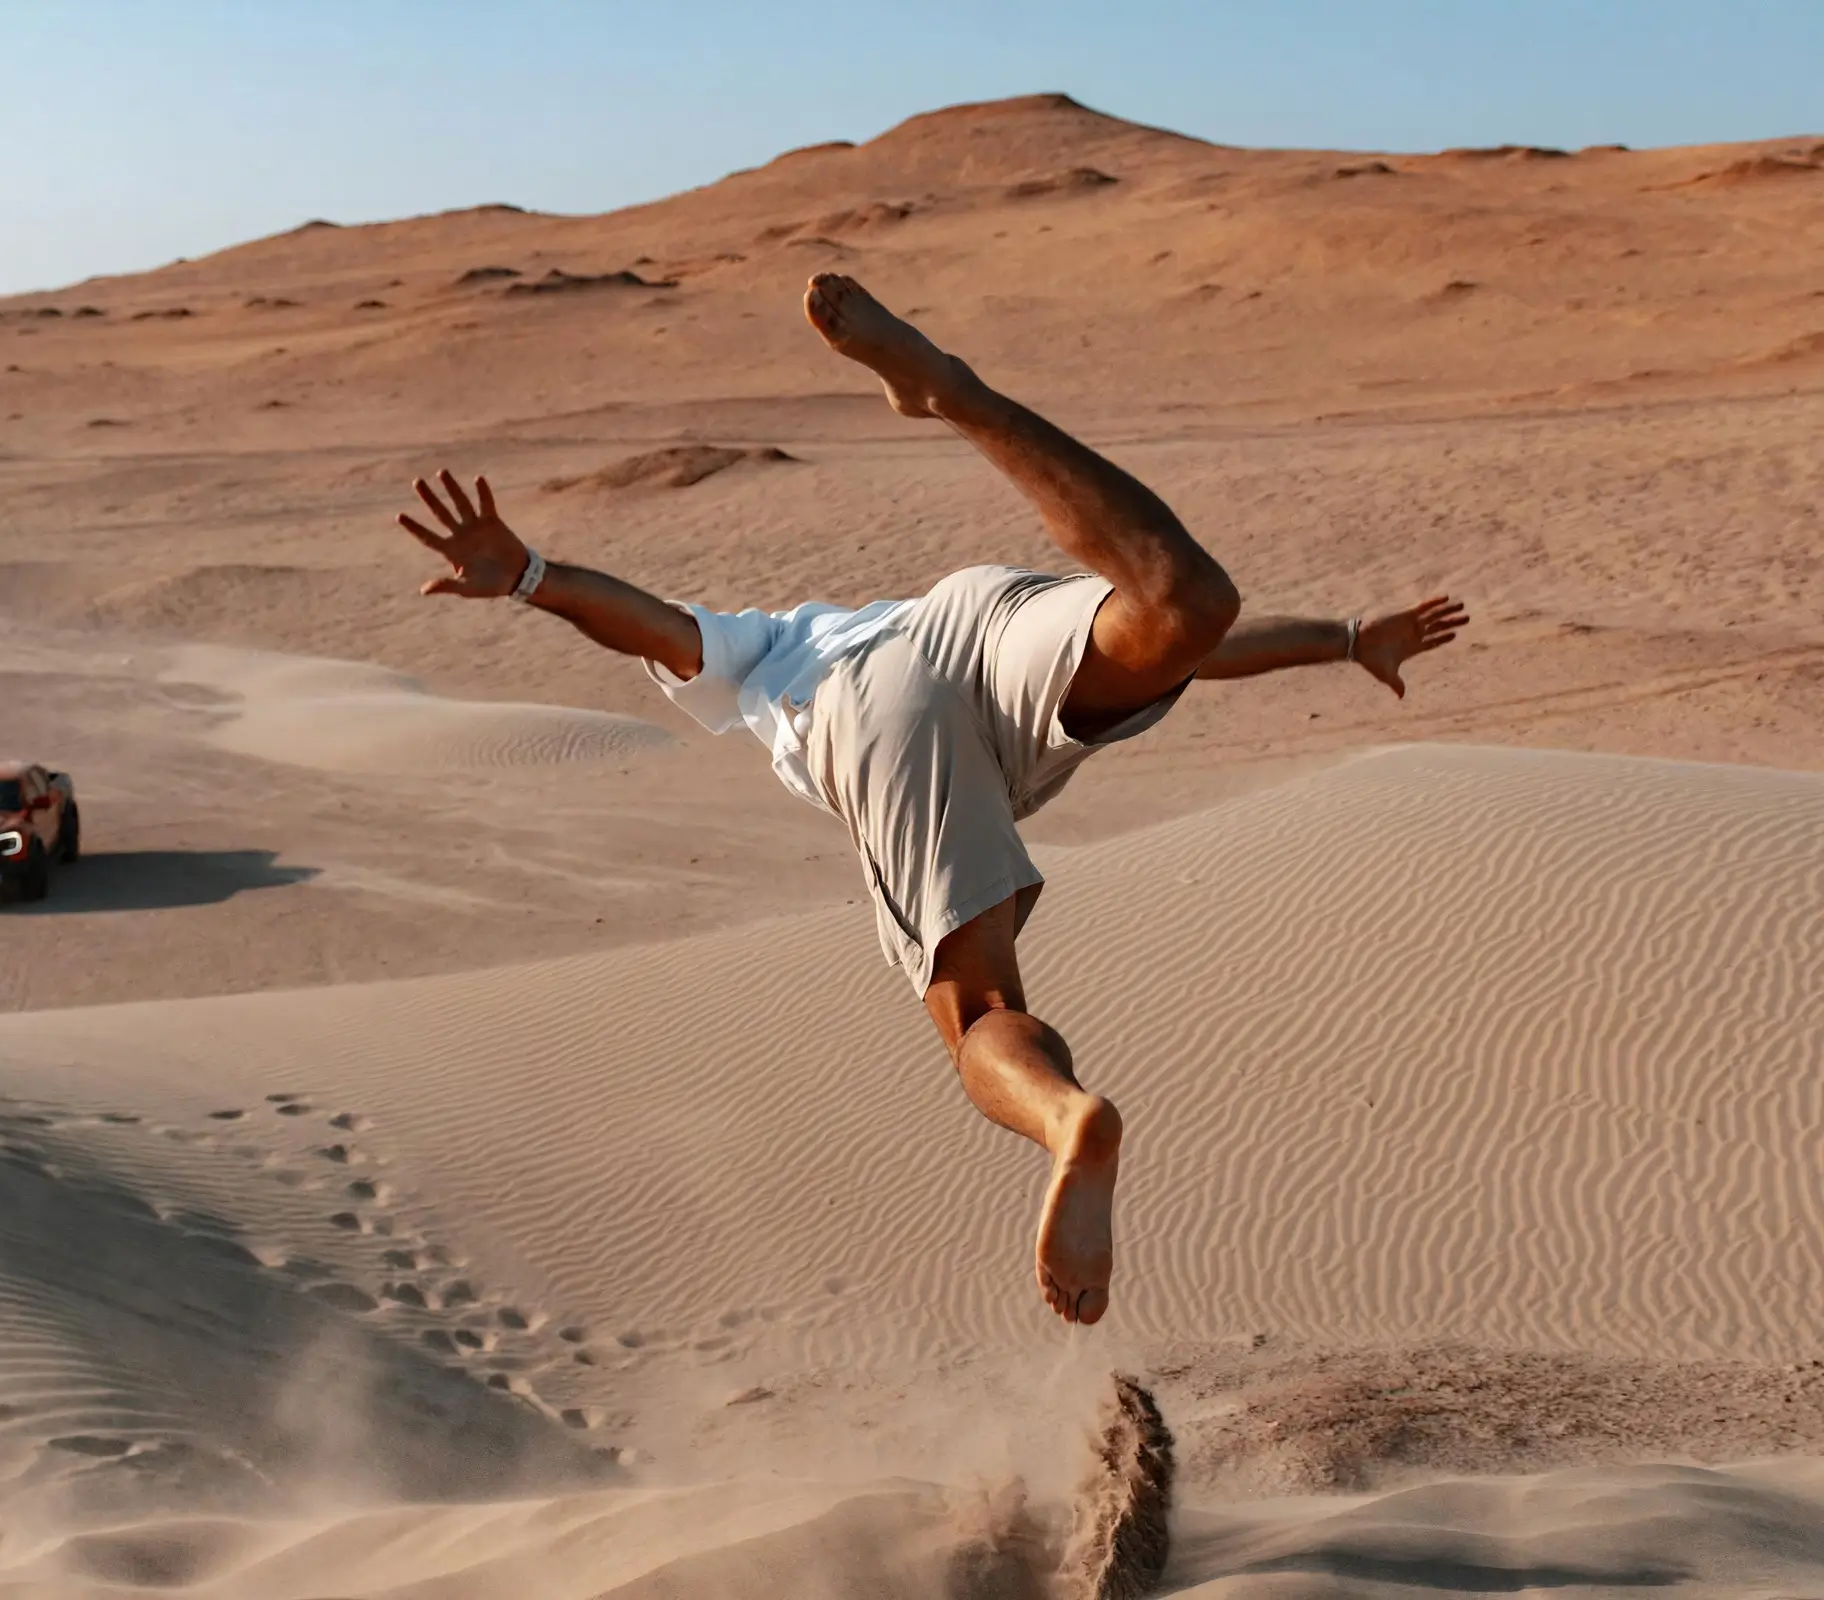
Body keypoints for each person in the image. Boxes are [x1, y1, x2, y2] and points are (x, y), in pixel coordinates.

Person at [394, 273, 1469, 1327]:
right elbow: (1205, 653)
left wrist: (536, 577)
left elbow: (648, 624)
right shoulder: (839, 618)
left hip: (869, 711)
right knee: (1177, 610)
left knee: (981, 1016)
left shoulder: (757, 656)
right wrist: (1339, 637)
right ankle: (952, 392)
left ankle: (1065, 1119)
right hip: (980, 612)